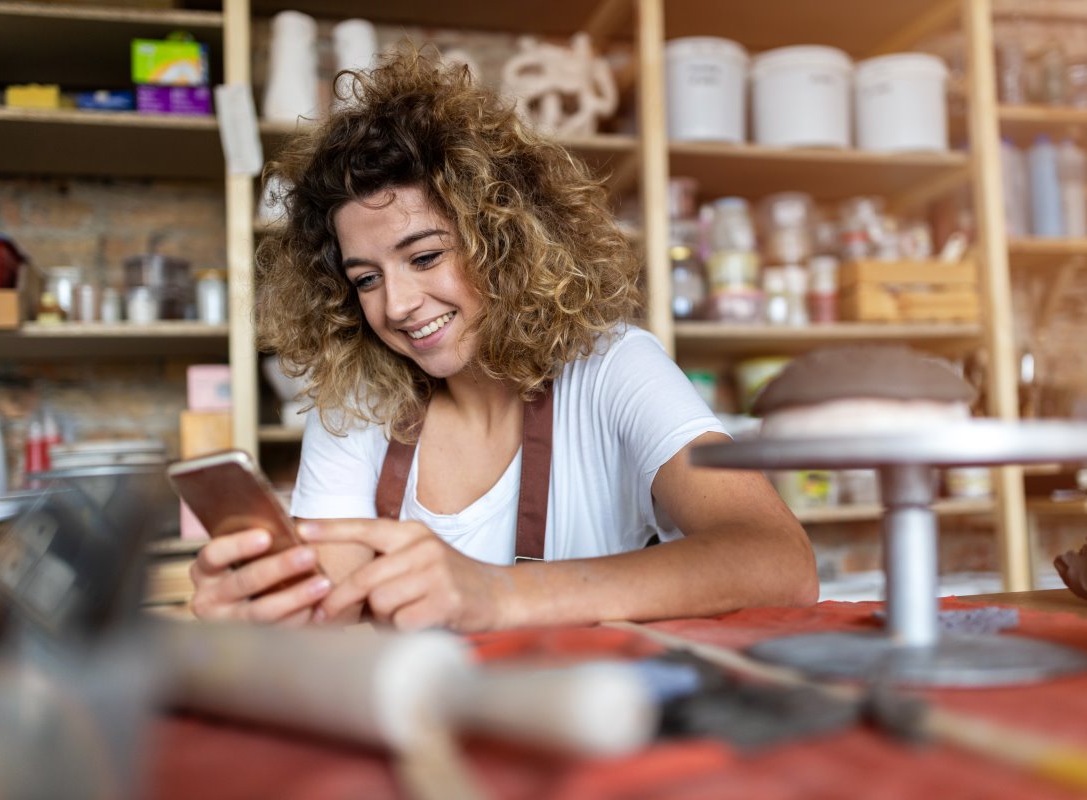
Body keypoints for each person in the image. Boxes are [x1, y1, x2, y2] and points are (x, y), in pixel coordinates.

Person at [189, 48, 817, 632]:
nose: (398, 305)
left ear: (505, 242)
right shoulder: (360, 402)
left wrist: (498, 594)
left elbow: (779, 563)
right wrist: (268, 609)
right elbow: (334, 602)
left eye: (427, 256)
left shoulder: (613, 367)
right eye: (367, 278)